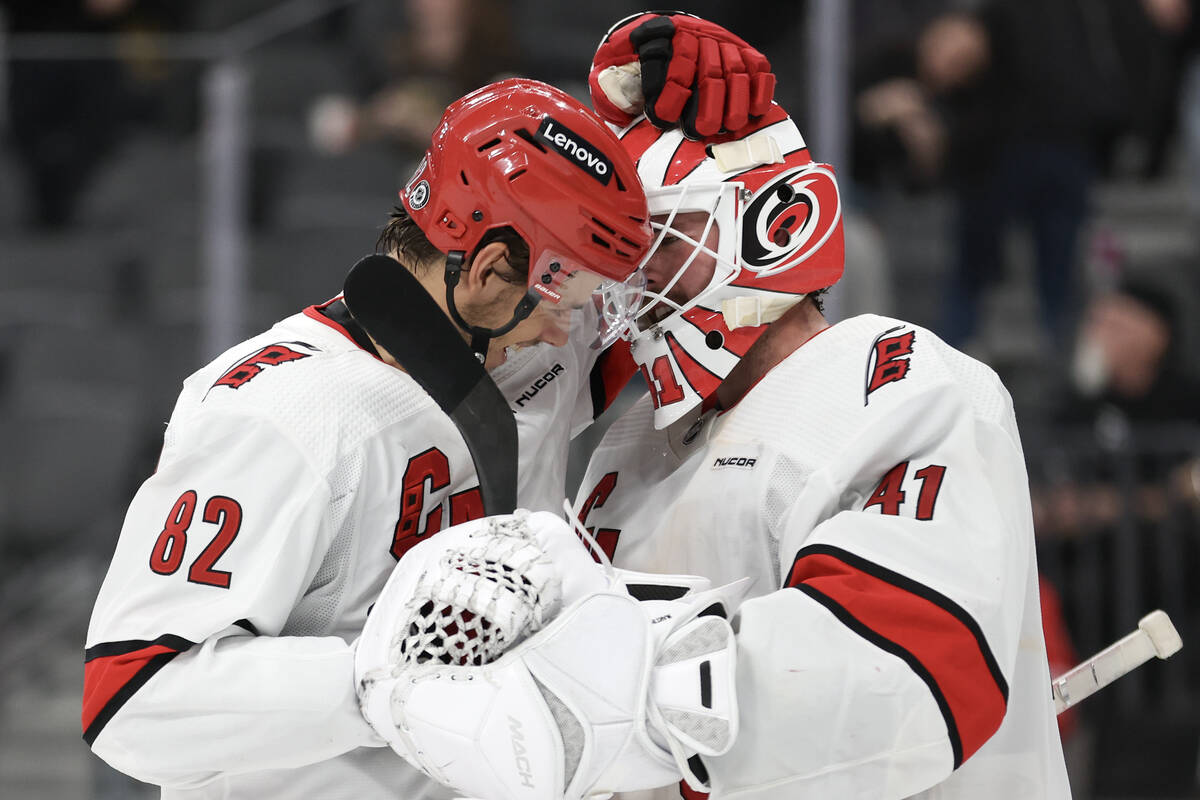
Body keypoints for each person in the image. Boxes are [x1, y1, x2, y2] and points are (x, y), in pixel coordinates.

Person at [80, 77, 654, 799]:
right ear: (486, 270)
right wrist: (390, 673)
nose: (568, 330)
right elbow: (130, 701)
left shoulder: (526, 347)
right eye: (563, 300)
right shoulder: (279, 417)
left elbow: (670, 304)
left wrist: (714, 131)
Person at [568, 60, 1072, 799]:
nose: (632, 278)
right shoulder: (630, 442)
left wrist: (583, 701)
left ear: (776, 225)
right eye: (619, 251)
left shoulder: (901, 383)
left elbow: (899, 679)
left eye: (662, 239)